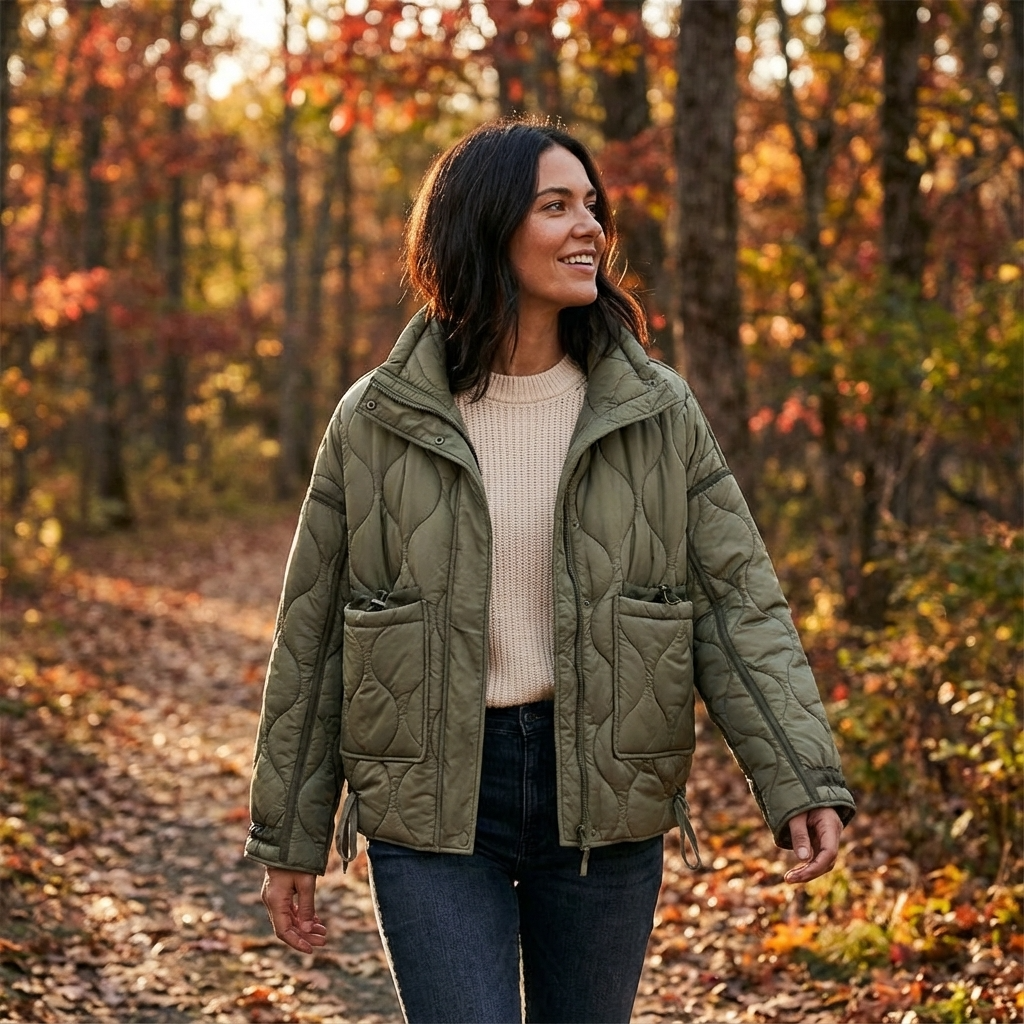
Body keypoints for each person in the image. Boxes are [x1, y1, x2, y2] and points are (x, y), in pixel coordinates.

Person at [244, 119, 856, 1024]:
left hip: (605, 799)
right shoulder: (374, 420)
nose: (591, 229)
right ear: (485, 228)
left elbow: (737, 608)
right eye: (556, 205)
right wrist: (290, 834)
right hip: (432, 804)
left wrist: (801, 776)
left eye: (593, 206)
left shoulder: (656, 410)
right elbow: (316, 635)